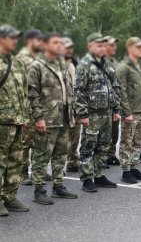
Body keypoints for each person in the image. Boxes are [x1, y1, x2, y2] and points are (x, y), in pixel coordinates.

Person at [28, 33, 78, 204]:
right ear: (45, 45)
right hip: (48, 118)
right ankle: (39, 189)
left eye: (60, 43)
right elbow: (32, 94)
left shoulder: (62, 64)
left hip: (63, 116)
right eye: (55, 43)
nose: (59, 46)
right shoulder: (37, 66)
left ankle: (58, 186)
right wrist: (39, 117)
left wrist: (73, 112)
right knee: (42, 155)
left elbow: (69, 90)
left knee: (61, 153)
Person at [75, 33, 121, 192]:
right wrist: (83, 114)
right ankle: (87, 179)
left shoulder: (107, 64)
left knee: (103, 145)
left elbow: (115, 87)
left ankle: (99, 175)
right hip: (92, 114)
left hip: (107, 113)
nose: (102, 48)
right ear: (90, 46)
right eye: (99, 45)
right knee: (88, 146)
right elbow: (79, 90)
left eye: (104, 45)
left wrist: (116, 109)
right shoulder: (84, 65)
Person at [0, 25, 30, 217]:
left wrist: (26, 116)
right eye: (11, 38)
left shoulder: (17, 63)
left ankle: (10, 197)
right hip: (2, 122)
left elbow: (24, 92)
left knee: (15, 161)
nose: (15, 41)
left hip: (18, 121)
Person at [116, 37, 141, 184]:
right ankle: (126, 171)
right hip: (131, 112)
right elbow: (121, 91)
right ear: (130, 48)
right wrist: (127, 112)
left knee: (138, 142)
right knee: (127, 142)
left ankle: (134, 167)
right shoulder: (123, 67)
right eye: (138, 47)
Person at [16, 29, 44, 186]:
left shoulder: (39, 58)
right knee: (26, 141)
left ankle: (37, 171)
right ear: (30, 41)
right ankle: (23, 172)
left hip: (39, 106)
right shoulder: (22, 58)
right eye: (38, 40)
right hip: (28, 106)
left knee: (39, 140)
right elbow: (20, 85)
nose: (41, 43)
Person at [63, 37, 81, 173]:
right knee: (60, 138)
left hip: (75, 104)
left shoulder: (74, 63)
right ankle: (56, 166)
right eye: (66, 47)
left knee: (75, 135)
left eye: (71, 48)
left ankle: (72, 160)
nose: (69, 50)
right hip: (62, 106)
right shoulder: (56, 64)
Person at [105, 36, 121, 166]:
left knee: (114, 131)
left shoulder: (115, 62)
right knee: (102, 134)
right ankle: (101, 156)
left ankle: (110, 154)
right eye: (111, 45)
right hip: (103, 104)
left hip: (115, 103)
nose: (114, 47)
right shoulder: (100, 62)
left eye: (115, 45)